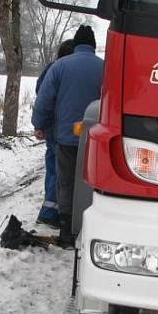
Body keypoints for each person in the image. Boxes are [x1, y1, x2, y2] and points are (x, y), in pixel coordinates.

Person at [32, 25, 104, 247]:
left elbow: (44, 100)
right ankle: (90, 226)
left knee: (66, 183)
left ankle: (66, 231)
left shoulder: (60, 66)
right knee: (93, 181)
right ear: (92, 46)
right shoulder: (107, 68)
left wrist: (39, 124)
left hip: (66, 137)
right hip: (96, 138)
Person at [35, 39, 75, 228]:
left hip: (52, 130)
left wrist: (41, 125)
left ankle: (51, 210)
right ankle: (50, 213)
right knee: (59, 173)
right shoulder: (62, 70)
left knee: (53, 170)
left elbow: (41, 95)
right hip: (59, 131)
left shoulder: (52, 69)